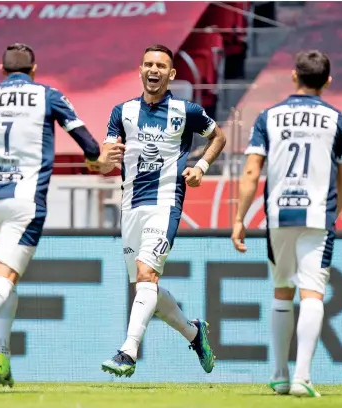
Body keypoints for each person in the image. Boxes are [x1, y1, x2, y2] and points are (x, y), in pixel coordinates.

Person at [0, 43, 123, 388]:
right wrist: (98, 160)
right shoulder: (48, 95)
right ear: (35, 69)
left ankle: (1, 358)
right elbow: (87, 144)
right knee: (4, 277)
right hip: (25, 200)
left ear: (1, 70)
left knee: (6, 278)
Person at [231, 50, 342, 397]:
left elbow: (252, 171)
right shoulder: (337, 120)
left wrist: (239, 218)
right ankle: (303, 377)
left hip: (278, 215)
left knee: (282, 289)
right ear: (327, 81)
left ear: (293, 76)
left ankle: (279, 374)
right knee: (313, 291)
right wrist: (334, 212)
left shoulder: (269, 117)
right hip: (318, 215)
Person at [100, 44, 227, 377]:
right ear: (140, 70)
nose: (153, 70)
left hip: (165, 202)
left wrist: (201, 166)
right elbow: (104, 159)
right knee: (146, 288)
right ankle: (194, 333)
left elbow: (218, 137)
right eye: (147, 64)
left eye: (160, 66)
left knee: (147, 276)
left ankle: (127, 353)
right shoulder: (122, 112)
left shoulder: (187, 111)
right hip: (131, 206)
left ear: (171, 74)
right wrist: (101, 162)